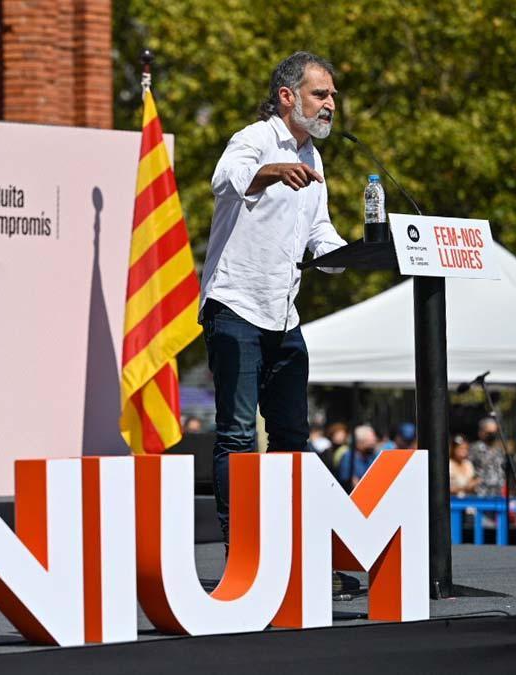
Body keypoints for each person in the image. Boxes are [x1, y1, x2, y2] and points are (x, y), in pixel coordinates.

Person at [199, 50, 346, 546]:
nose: (330, 105)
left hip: (284, 316)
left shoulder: (313, 156)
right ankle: (242, 550)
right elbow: (223, 180)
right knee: (239, 435)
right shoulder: (256, 138)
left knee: (291, 436)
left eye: (332, 97)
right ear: (288, 97)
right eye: (320, 94)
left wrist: (350, 255)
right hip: (236, 307)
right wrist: (271, 170)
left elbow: (319, 231)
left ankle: (290, 549)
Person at [468, 417, 505, 497]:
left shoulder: (499, 450)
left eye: (494, 433)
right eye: (489, 433)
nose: (492, 436)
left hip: (497, 492)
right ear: (481, 432)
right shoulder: (475, 449)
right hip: (481, 492)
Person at [336, 424, 380, 489]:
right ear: (359, 443)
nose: (373, 444)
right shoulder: (348, 458)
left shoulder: (373, 456)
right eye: (369, 442)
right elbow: (350, 481)